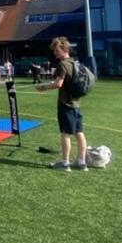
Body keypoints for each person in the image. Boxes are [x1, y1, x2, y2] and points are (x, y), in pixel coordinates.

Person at [35, 37, 89, 172]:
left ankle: (65, 163)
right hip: (76, 104)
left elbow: (58, 84)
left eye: (57, 50)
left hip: (66, 104)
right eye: (54, 51)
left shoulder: (63, 65)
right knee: (79, 132)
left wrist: (42, 87)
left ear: (64, 49)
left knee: (65, 134)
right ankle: (81, 162)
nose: (55, 53)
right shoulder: (75, 63)